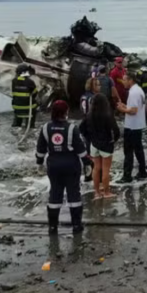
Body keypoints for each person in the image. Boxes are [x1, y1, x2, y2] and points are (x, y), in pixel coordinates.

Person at [36, 100, 91, 235]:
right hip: (71, 166)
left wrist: (39, 163)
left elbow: (40, 149)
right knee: (74, 194)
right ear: (66, 112)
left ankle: (53, 227)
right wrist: (87, 164)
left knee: (55, 194)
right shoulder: (72, 128)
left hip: (53, 166)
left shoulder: (45, 128)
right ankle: (77, 226)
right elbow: (81, 149)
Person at [79, 93, 120, 200]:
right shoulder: (108, 114)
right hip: (106, 145)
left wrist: (90, 138)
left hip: (94, 145)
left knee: (96, 169)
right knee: (106, 170)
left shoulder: (89, 115)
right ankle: (106, 192)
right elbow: (116, 131)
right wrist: (113, 141)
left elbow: (81, 129)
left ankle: (97, 192)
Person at [117, 72, 147, 183]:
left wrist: (122, 110)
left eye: (125, 80)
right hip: (138, 125)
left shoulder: (133, 92)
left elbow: (133, 111)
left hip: (132, 126)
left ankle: (127, 175)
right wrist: (125, 106)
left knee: (128, 151)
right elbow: (135, 107)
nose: (123, 82)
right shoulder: (139, 90)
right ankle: (142, 171)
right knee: (138, 150)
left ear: (131, 80)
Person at [12, 64, 39, 128]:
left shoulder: (14, 81)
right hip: (28, 108)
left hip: (17, 107)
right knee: (35, 106)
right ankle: (30, 126)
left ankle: (16, 125)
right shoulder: (30, 82)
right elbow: (35, 93)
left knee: (16, 125)